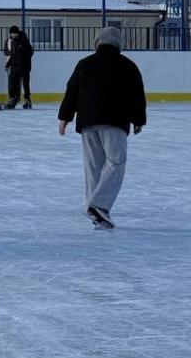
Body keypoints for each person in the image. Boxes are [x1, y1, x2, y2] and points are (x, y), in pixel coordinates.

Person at [57, 26, 147, 230]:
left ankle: (94, 208)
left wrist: (64, 117)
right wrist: (138, 120)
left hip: (88, 122)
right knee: (116, 163)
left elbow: (71, 91)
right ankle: (99, 206)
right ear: (118, 44)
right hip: (114, 122)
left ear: (98, 42)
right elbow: (137, 96)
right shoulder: (128, 66)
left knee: (94, 167)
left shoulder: (84, 64)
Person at [3, 25, 34, 109]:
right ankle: (13, 99)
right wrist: (8, 64)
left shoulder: (23, 40)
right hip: (15, 66)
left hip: (25, 66)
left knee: (25, 84)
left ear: (17, 33)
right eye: (12, 34)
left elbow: (30, 51)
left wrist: (25, 60)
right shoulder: (10, 41)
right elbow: (9, 54)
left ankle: (27, 99)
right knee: (14, 84)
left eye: (14, 33)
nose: (13, 35)